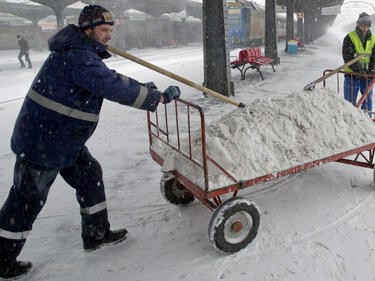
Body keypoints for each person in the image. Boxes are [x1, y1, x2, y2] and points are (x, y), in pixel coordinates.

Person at [0, 5, 181, 279]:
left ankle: (96, 233)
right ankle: (2, 259)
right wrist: (158, 98)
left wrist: (145, 90)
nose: (109, 37)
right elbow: (112, 85)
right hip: (43, 142)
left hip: (62, 138)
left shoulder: (80, 54)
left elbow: (109, 79)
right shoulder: (77, 57)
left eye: (110, 31)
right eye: (104, 31)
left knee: (89, 176)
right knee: (26, 200)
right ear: (88, 30)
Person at [342, 12, 375, 115]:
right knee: (349, 103)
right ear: (358, 24)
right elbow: (348, 57)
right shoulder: (350, 38)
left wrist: (371, 71)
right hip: (352, 76)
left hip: (368, 76)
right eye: (363, 25)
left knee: (367, 101)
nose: (365, 28)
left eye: (367, 26)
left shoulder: (373, 39)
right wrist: (359, 71)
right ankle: (350, 122)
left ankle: (366, 121)